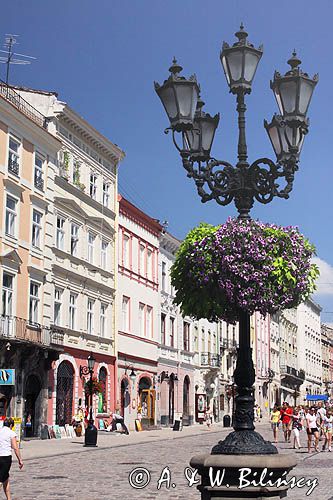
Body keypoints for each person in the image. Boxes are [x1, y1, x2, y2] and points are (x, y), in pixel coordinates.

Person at [0, 418, 24, 500]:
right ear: (11, 425)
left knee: (5, 478)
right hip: (5, 458)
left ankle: (9, 498)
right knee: (1, 479)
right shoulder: (11, 433)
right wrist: (20, 460)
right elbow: (15, 448)